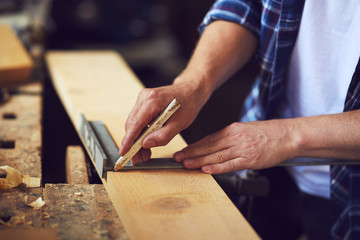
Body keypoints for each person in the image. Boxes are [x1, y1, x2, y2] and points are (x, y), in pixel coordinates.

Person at [119, 0, 360, 239]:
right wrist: (192, 85)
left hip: (350, 199)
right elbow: (249, 7)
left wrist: (287, 136)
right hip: (267, 167)